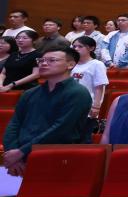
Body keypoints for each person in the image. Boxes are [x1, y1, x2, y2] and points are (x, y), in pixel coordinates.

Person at [2, 45, 92, 176]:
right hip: (20, 158)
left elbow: (61, 129)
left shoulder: (78, 93)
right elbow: (15, 123)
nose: (44, 64)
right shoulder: (30, 93)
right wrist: (12, 153)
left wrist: (21, 152)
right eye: (41, 60)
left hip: (56, 157)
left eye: (52, 60)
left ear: (70, 64)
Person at [70, 37, 108, 121]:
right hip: (70, 103)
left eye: (80, 46)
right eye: (74, 46)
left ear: (91, 48)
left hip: (87, 104)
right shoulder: (71, 63)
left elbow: (99, 87)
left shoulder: (97, 64)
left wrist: (96, 106)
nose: (76, 49)